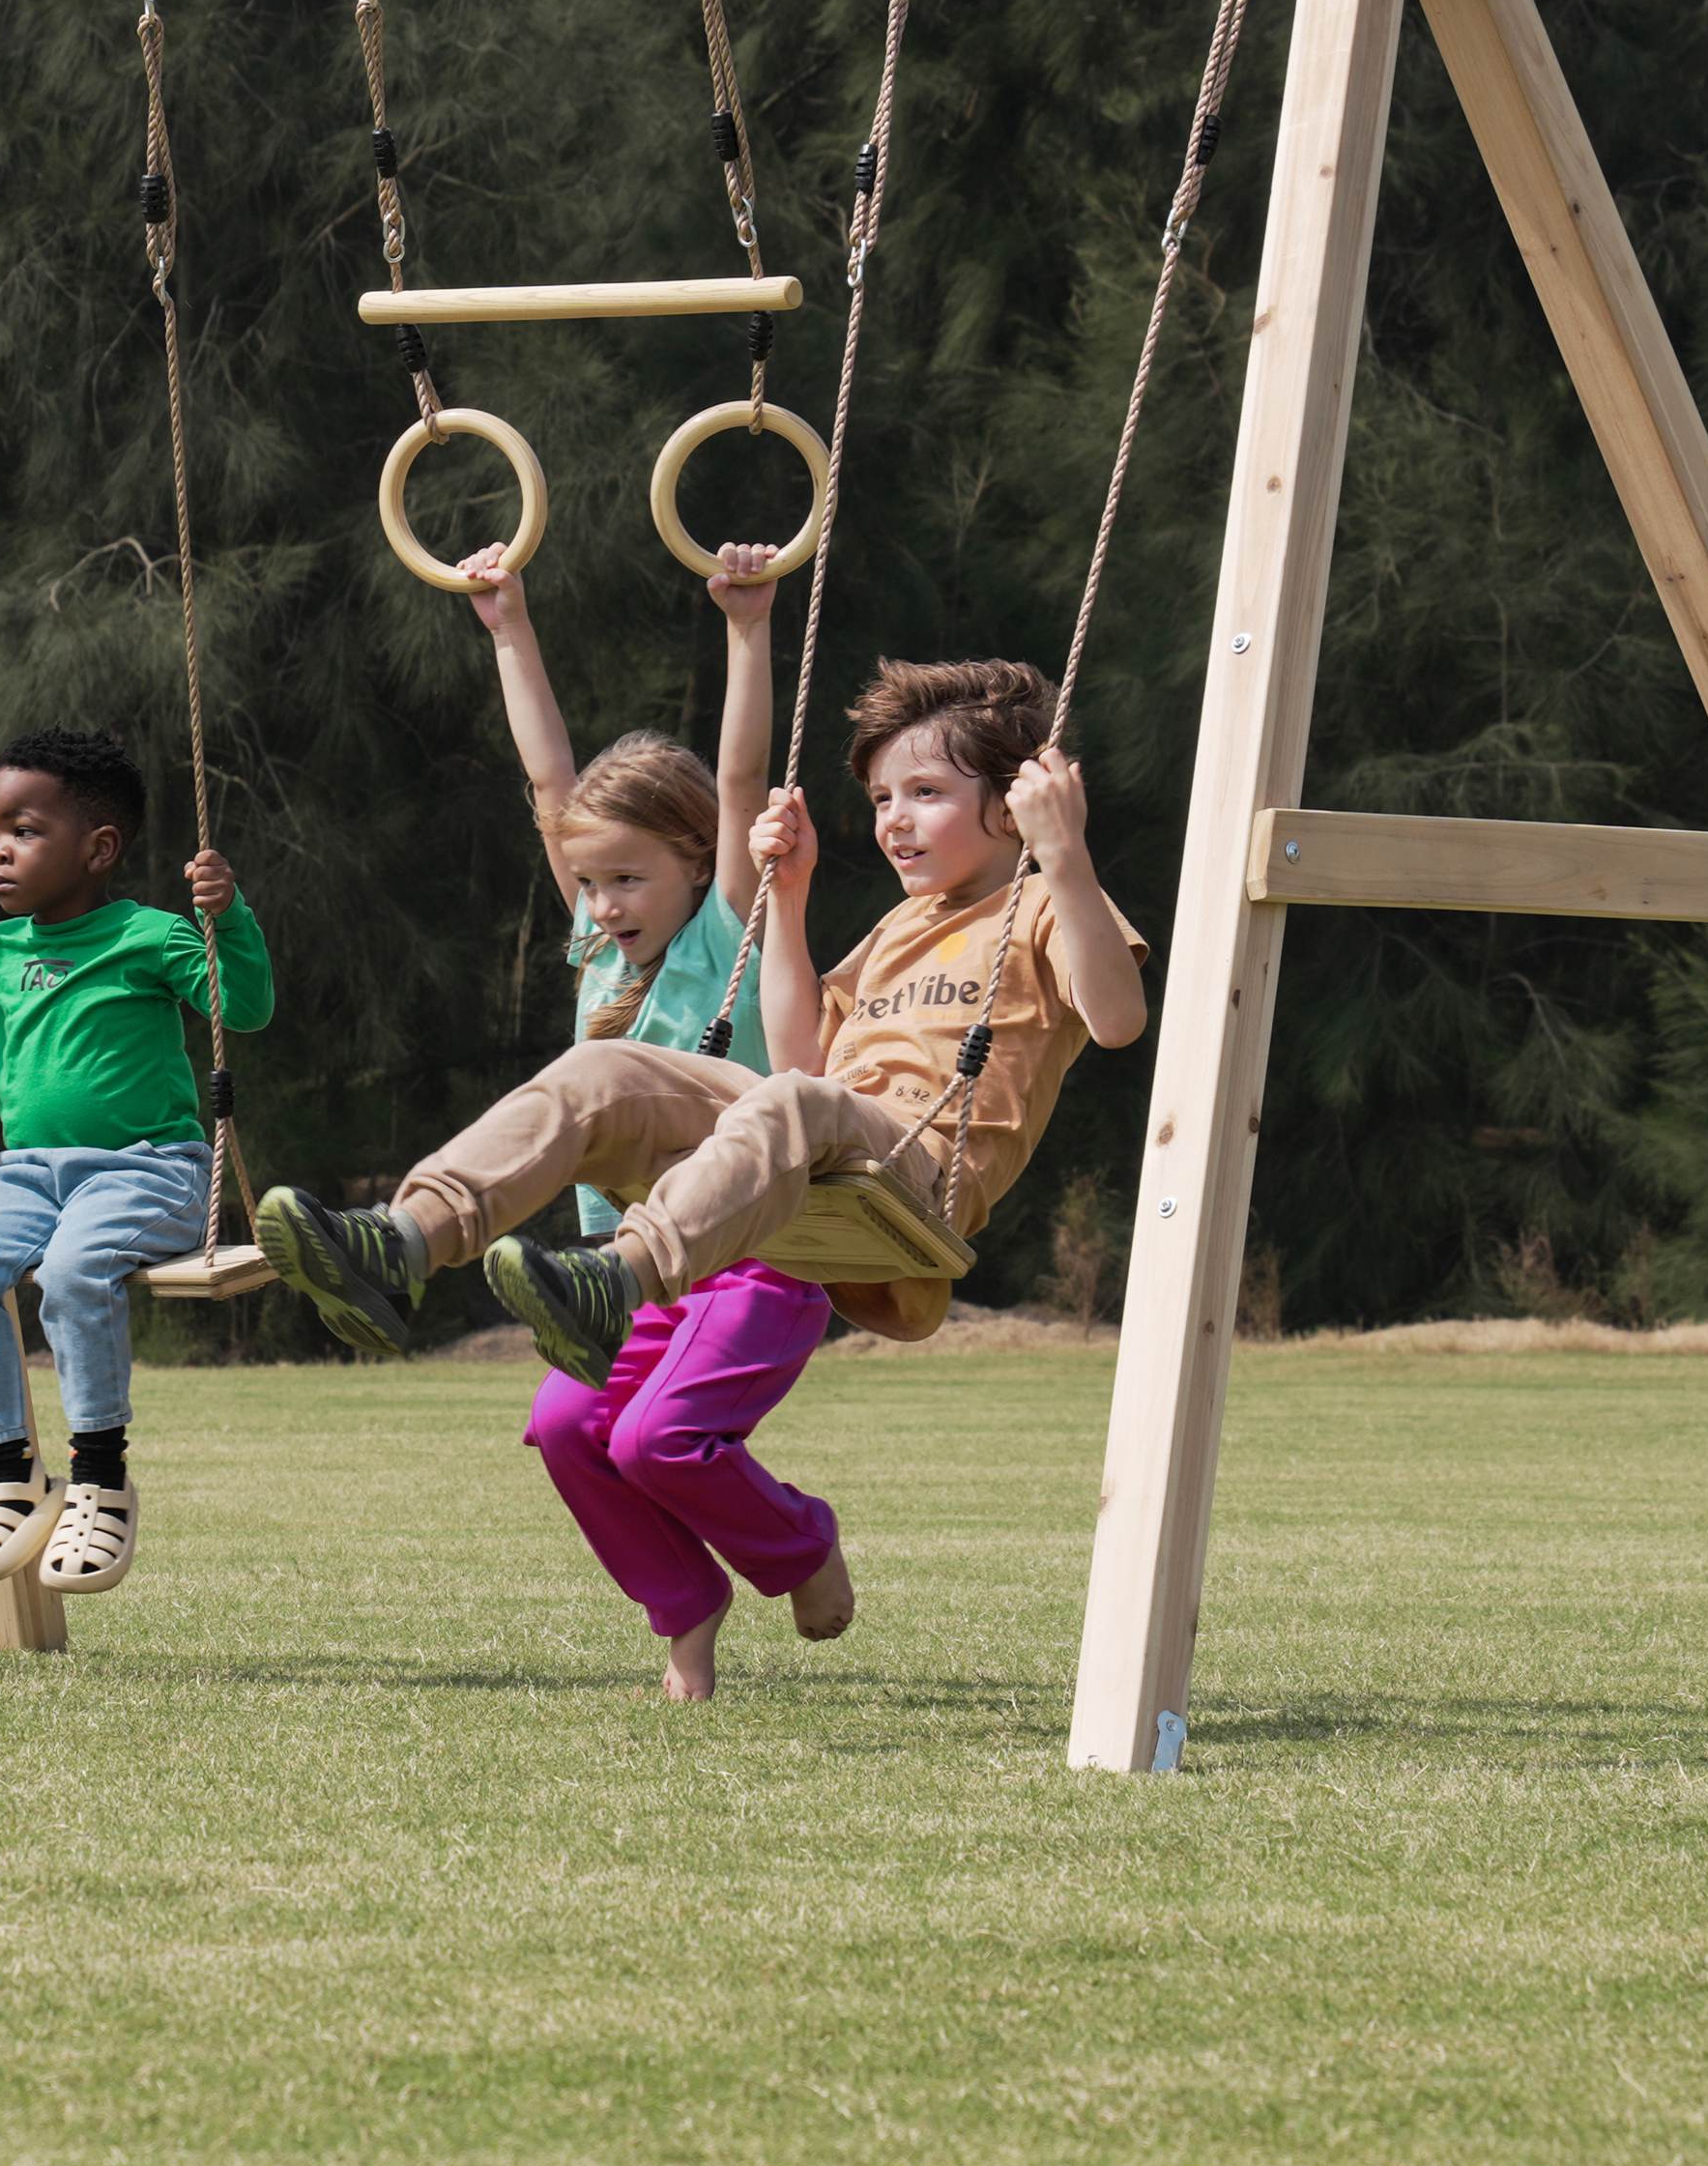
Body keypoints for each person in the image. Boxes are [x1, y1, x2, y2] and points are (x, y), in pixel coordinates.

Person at [259, 652, 1145, 1589]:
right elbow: (801, 1055)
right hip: (821, 1138)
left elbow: (1118, 1018)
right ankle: (403, 1239)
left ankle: (620, 1278)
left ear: (1016, 802)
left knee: (789, 1101)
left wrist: (1066, 856)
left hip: (917, 1177)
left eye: (923, 791)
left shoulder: (1045, 902)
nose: (892, 819)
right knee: (604, 1068)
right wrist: (792, 896)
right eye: (882, 797)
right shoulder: (892, 930)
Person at [433, 534, 837, 1698]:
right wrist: (508, 627)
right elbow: (552, 789)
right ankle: (685, 1607)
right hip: (619, 1264)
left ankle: (800, 1545)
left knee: (658, 1441)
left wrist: (748, 629)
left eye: (627, 880)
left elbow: (744, 780)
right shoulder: (594, 951)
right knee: (567, 1432)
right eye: (590, 881)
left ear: (694, 867)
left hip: (748, 1254)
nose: (603, 902)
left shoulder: (725, 928)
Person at [0, 724, 271, 1599]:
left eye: (23, 831)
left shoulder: (150, 936)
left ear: (98, 849)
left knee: (72, 1271)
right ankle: (8, 1477)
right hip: (29, 1176)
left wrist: (228, 917)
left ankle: (99, 1475)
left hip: (149, 1169)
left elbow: (242, 1007)